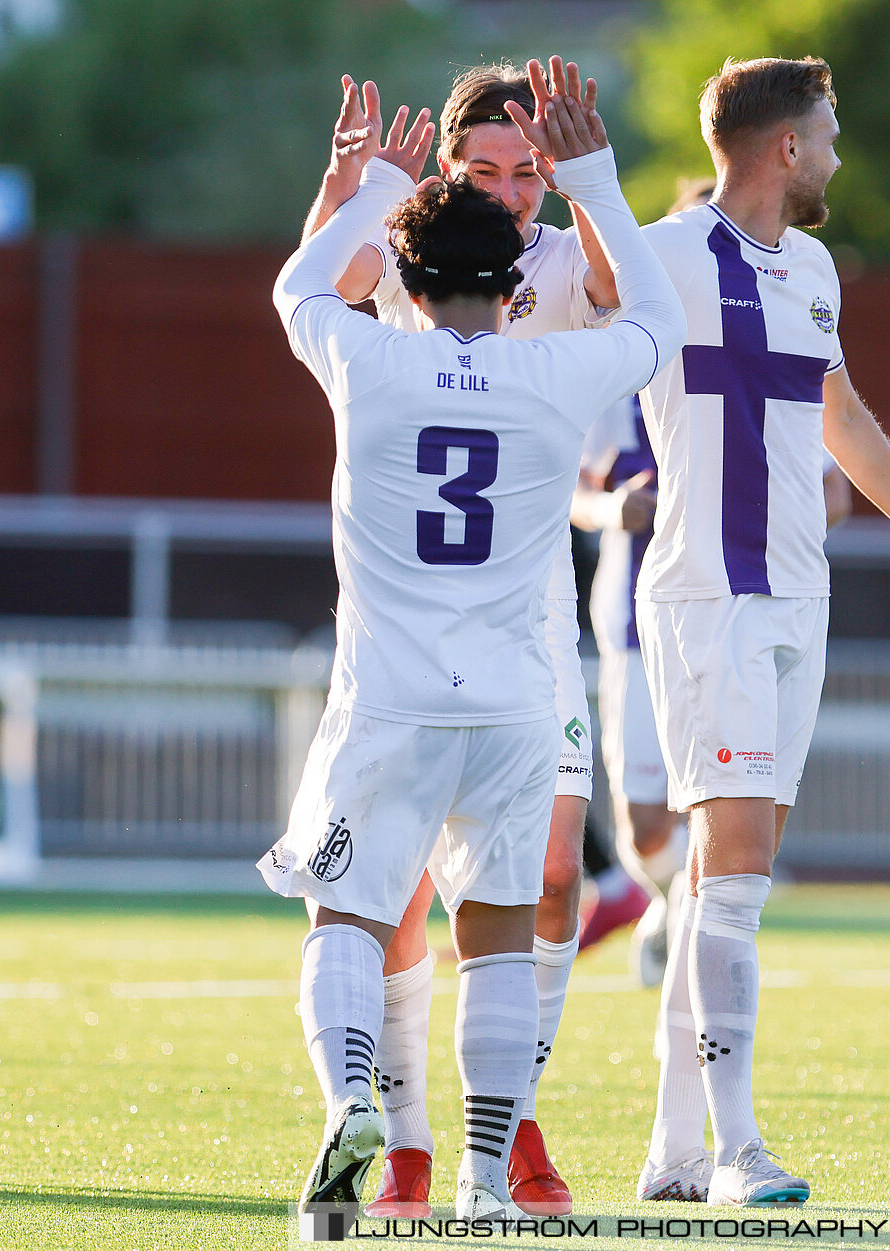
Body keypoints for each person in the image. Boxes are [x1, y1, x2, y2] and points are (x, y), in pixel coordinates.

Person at [261, 69, 683, 1220]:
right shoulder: (553, 372)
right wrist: (596, 171)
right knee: (488, 916)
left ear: (409, 251)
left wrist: (363, 192)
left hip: (397, 663)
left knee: (357, 901)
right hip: (506, 667)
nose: (509, 195)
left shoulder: (366, 357)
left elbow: (305, 292)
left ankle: (357, 1104)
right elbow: (654, 320)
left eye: (527, 172)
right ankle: (466, 1170)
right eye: (486, 175)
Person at [578, 57, 890, 1206]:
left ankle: (670, 1150)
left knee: (710, 877)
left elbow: (841, 414)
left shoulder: (812, 268)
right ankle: (736, 1149)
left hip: (795, 603)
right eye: (831, 132)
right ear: (787, 150)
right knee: (740, 874)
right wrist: (576, 178)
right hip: (704, 601)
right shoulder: (662, 253)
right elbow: (564, 289)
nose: (841, 154)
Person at [572, 175, 855, 990]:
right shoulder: (627, 372)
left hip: (743, 601)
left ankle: (702, 937)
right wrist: (615, 509)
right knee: (639, 828)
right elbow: (578, 492)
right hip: (638, 610)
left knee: (730, 813)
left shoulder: (776, 347)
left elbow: (830, 482)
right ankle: (675, 903)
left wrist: (767, 527)